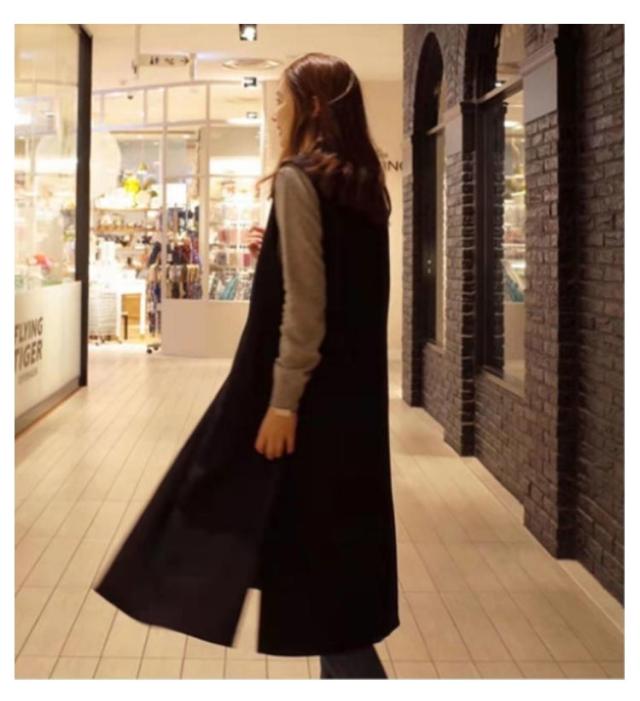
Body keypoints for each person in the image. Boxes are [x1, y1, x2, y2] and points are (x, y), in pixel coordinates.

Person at [93, 52, 398, 680]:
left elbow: (306, 308)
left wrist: (282, 401)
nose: (277, 111)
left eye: (282, 99)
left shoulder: (298, 178)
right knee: (332, 578)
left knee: (241, 531)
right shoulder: (364, 185)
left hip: (303, 405)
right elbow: (341, 288)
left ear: (313, 106)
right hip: (352, 409)